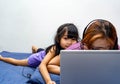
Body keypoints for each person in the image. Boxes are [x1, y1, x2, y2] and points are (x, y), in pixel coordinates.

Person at [0, 23, 80, 84]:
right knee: (18, 62)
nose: (69, 42)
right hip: (39, 58)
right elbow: (42, 65)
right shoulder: (54, 49)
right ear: (58, 39)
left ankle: (35, 48)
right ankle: (2, 58)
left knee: (42, 50)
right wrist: (48, 81)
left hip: (46, 53)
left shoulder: (75, 48)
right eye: (65, 38)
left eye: (73, 39)